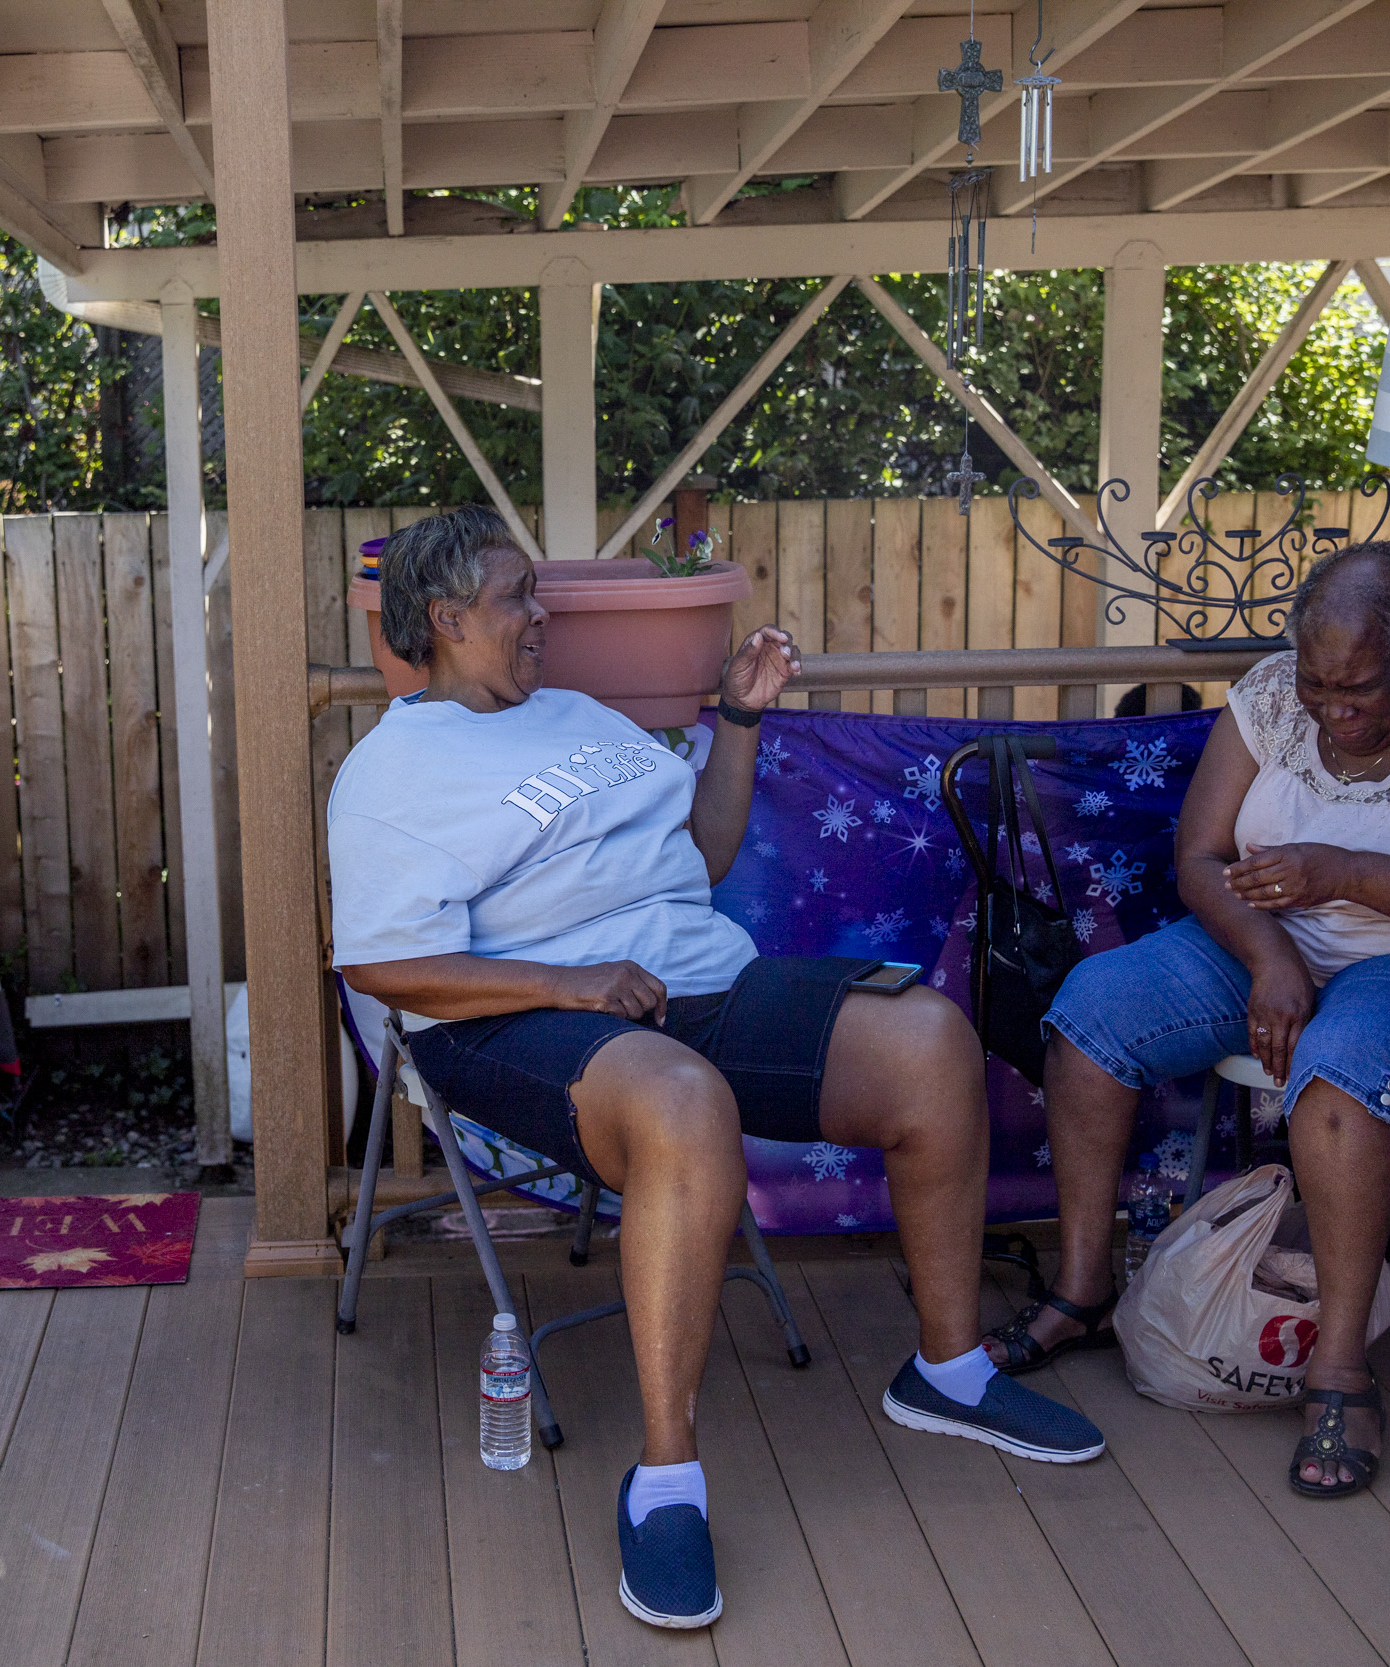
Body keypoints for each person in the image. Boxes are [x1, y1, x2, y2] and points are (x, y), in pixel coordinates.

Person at [329, 506, 1103, 1631]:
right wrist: (571, 982)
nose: (538, 613)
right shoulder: (392, 771)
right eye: (514, 597)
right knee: (685, 1101)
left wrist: (735, 715)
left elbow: (702, 854)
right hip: (510, 1022)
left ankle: (949, 1368)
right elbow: (385, 963)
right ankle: (665, 1477)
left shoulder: (576, 717)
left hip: (692, 981)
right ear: (445, 619)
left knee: (927, 1037)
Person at [995, 541, 1390, 1499]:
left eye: (1357, 688)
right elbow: (1199, 856)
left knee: (1344, 1059)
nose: (1331, 707)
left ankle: (1341, 1372)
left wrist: (1345, 871)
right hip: (1278, 940)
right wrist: (1269, 955)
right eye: (1318, 682)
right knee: (1093, 1014)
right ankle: (1084, 1288)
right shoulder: (1271, 694)